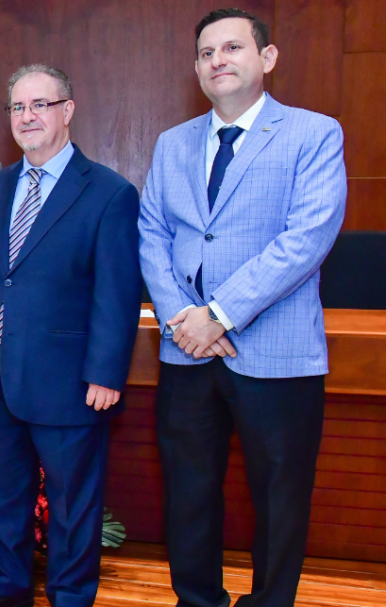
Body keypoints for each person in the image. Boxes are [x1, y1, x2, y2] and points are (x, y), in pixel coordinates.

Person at [138, 10, 346, 607]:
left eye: (232, 47)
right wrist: (184, 317)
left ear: (268, 57)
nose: (217, 60)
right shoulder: (172, 143)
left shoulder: (313, 133)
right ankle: (197, 600)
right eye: (206, 52)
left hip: (277, 354)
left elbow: (306, 239)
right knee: (189, 492)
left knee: (280, 498)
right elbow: (152, 233)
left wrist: (219, 315)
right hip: (186, 352)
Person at [0, 65, 142, 607]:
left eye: (40, 105)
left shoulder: (109, 191)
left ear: (68, 110)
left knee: (72, 500)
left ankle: (71, 595)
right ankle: (9, 588)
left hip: (69, 379)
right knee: (6, 494)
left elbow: (118, 291)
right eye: (17, 107)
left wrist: (105, 371)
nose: (27, 117)